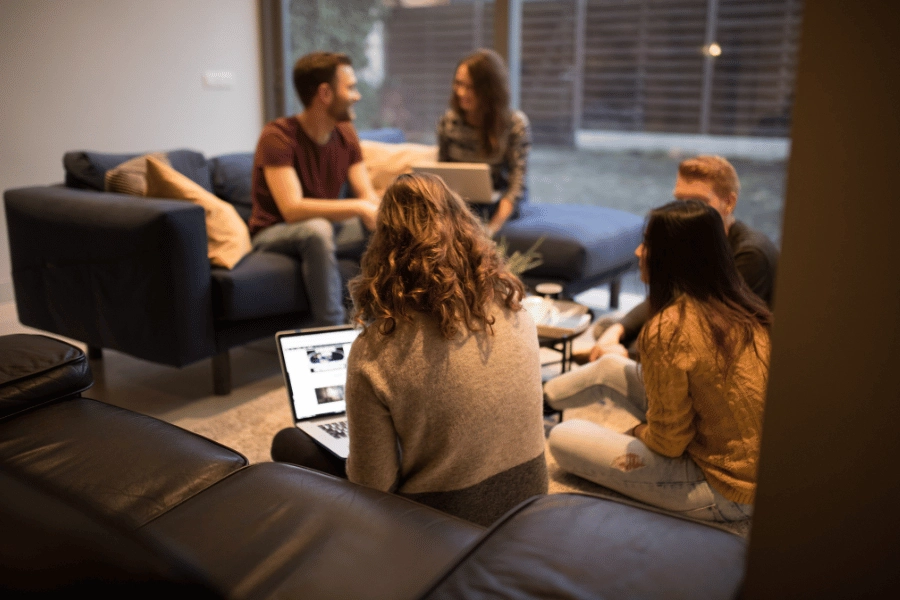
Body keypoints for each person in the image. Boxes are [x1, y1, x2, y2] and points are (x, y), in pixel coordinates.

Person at [272, 173, 548, 527]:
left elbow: (373, 487)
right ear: (464, 228)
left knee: (292, 443)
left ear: (384, 249)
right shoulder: (515, 310)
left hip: (442, 525)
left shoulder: (375, 352)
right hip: (530, 500)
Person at [544, 200, 772, 522]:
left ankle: (541, 408)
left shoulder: (671, 328)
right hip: (746, 464)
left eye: (648, 243)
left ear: (674, 256)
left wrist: (637, 431)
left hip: (723, 488)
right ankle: (538, 400)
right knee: (609, 368)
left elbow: (669, 442)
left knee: (564, 436)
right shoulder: (744, 307)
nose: (638, 252)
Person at [580, 155, 779, 363]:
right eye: (679, 200)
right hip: (687, 328)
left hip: (719, 360)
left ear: (728, 203)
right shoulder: (699, 244)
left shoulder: (750, 255)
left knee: (617, 355)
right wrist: (617, 331)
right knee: (608, 326)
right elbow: (674, 295)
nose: (685, 209)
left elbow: (702, 336)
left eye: (696, 202)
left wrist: (621, 353)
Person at [249, 51, 379, 326]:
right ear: (325, 93)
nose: (357, 95)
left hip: (325, 228)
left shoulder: (345, 133)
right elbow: (292, 209)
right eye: (351, 88)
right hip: (275, 231)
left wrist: (380, 214)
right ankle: (333, 334)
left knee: (389, 224)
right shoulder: (278, 136)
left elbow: (366, 193)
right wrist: (358, 207)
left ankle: (385, 325)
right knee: (316, 228)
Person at [437, 48, 531, 235]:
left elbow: (516, 185)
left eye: (470, 87)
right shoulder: (449, 122)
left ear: (490, 89)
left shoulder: (515, 124)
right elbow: (442, 173)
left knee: (473, 223)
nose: (461, 92)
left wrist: (492, 228)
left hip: (498, 202)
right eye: (458, 84)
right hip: (458, 201)